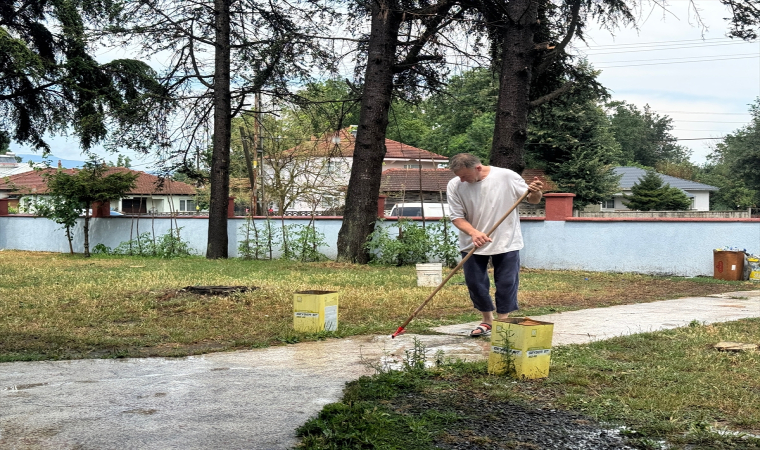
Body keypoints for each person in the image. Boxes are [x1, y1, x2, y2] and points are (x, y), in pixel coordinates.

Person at [446, 153, 544, 337]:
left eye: (464, 175)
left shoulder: (506, 176)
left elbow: (533, 199)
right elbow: (456, 217)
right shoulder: (455, 185)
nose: (461, 180)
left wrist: (536, 191)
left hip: (507, 240)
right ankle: (487, 321)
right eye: (459, 176)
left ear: (477, 168)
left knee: (507, 283)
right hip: (472, 242)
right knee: (476, 284)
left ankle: (503, 322)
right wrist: (474, 233)